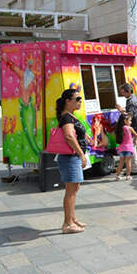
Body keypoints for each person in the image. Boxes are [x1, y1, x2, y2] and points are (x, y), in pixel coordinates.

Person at [56, 89, 88, 234]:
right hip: (70, 158)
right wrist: (81, 154)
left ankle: (72, 218)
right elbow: (69, 136)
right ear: (68, 101)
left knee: (74, 189)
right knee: (71, 192)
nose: (80, 101)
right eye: (77, 99)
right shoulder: (67, 118)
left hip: (72, 158)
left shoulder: (70, 116)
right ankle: (67, 224)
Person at [116, 83, 137, 173]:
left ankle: (134, 169)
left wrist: (121, 111)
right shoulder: (136, 98)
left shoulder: (131, 101)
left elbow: (129, 117)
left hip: (133, 126)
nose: (122, 95)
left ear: (128, 91)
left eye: (123, 93)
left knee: (132, 147)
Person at [115, 113, 137, 180]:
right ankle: (128, 176)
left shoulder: (119, 128)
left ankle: (118, 176)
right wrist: (134, 141)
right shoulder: (129, 128)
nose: (131, 122)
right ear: (125, 121)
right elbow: (136, 135)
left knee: (121, 162)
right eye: (130, 120)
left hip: (121, 148)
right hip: (129, 148)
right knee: (128, 162)